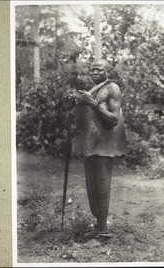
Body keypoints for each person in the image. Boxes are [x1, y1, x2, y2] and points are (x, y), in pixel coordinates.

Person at [64, 58, 127, 238]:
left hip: (105, 144)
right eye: (93, 70)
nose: (95, 72)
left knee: (101, 186)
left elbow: (114, 119)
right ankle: (98, 226)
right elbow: (81, 113)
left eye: (99, 70)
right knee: (91, 187)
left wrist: (92, 103)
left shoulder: (112, 88)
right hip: (90, 144)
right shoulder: (92, 89)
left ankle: (103, 231)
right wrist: (72, 104)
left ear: (108, 71)